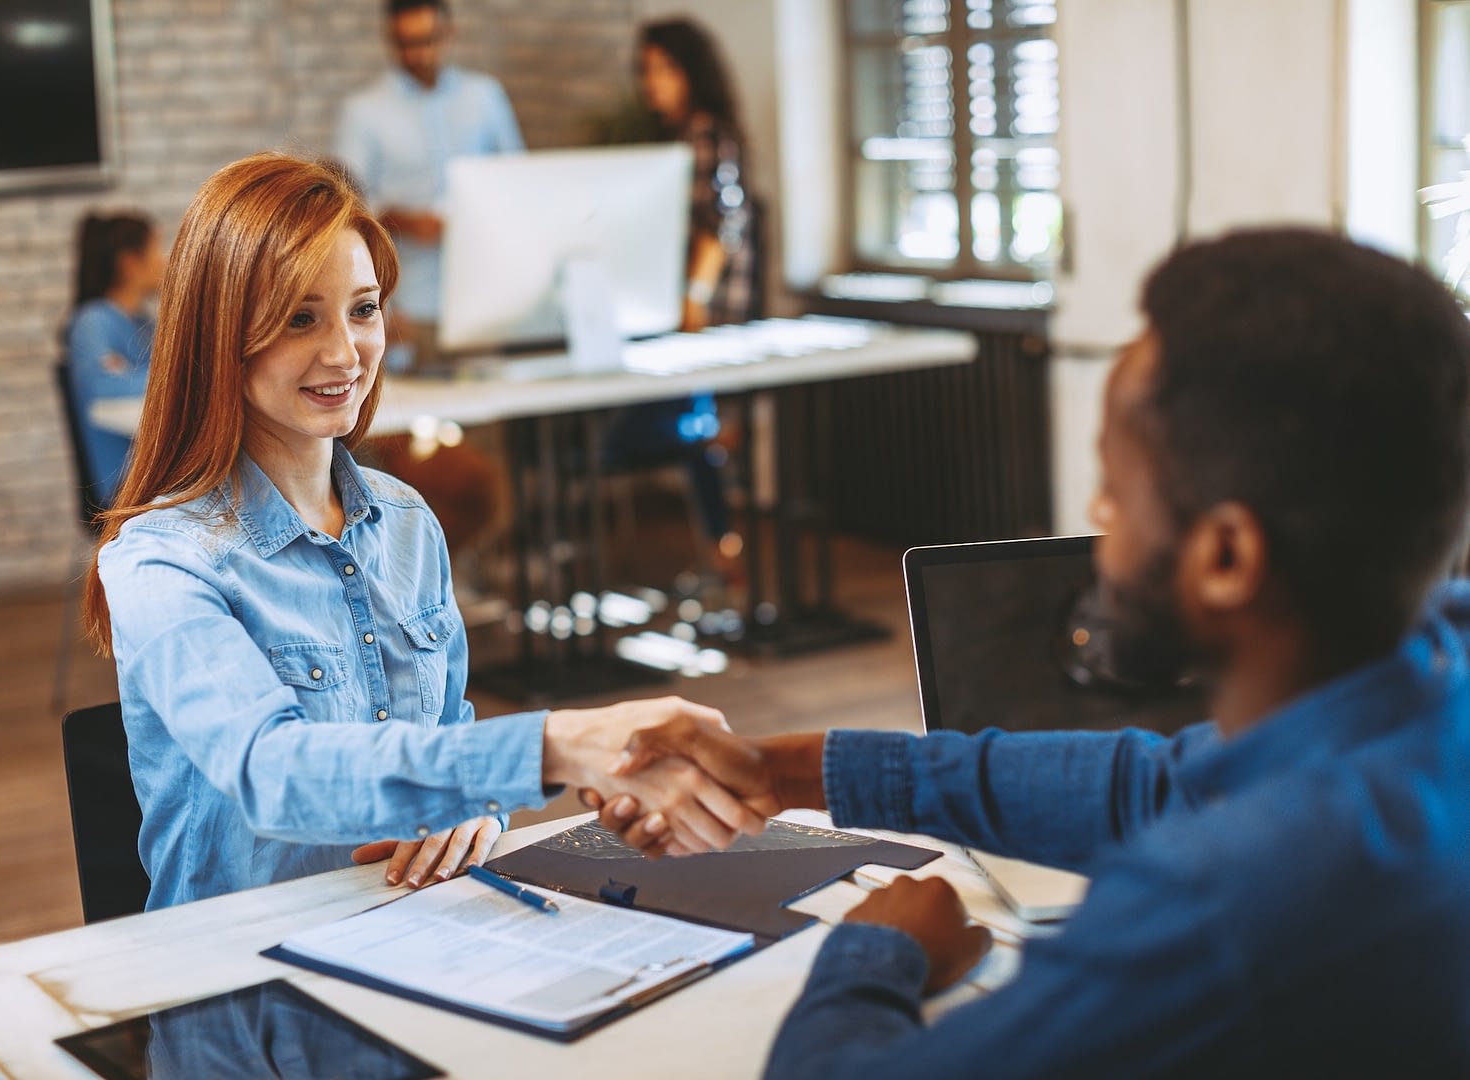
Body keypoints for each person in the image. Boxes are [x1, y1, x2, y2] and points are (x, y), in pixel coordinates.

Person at [593, 228, 1470, 1076]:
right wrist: (778, 771)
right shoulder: (1435, 672)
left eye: (1119, 493)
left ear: (1227, 558)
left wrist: (875, 953)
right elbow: (1159, 787)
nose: (1098, 517)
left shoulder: (1219, 908)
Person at [81, 151, 764, 911]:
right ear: (222, 334)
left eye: (364, 308)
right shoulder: (163, 562)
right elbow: (270, 771)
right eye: (301, 317)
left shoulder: (405, 523)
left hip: (425, 929)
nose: (346, 352)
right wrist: (559, 747)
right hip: (253, 987)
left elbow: (448, 738)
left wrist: (476, 809)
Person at [604, 17, 758, 574]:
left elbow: (722, 225)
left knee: (687, 434)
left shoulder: (705, 135)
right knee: (698, 438)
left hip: (707, 316)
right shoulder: (681, 138)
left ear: (693, 72)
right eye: (646, 70)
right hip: (693, 316)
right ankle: (722, 549)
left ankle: (724, 551)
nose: (652, 83)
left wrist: (693, 303)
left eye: (665, 69)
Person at [333, 0, 522, 371]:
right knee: (405, 422)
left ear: (449, 34)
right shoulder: (363, 112)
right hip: (407, 305)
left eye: (428, 40)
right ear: (390, 40)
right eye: (407, 43)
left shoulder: (485, 98)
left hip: (484, 299)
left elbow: (517, 185)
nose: (419, 54)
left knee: (487, 421)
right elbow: (344, 212)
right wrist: (399, 219)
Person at [64, 211, 164, 505]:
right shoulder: (93, 322)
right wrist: (177, 376)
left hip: (155, 472)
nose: (164, 260)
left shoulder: (143, 323)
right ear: (130, 264)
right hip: (127, 483)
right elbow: (104, 388)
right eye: (156, 249)